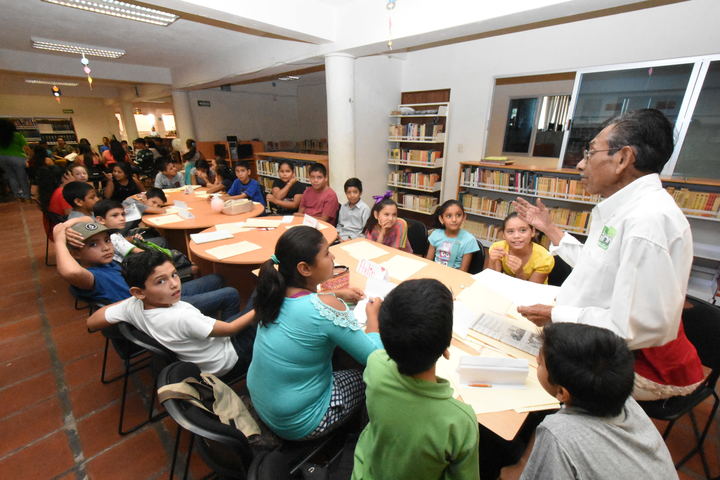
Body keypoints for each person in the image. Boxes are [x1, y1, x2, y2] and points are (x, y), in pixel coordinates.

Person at [513, 109, 703, 401]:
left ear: (623, 159)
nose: (579, 164)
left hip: (644, 364)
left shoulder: (647, 221)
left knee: (532, 372)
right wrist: (550, 230)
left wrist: (556, 314)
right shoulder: (626, 208)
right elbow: (598, 262)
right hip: (616, 342)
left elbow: (634, 327)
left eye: (590, 153)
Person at [247, 226, 380, 440]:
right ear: (305, 269)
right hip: (298, 421)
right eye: (327, 253)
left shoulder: (273, 290)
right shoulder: (324, 308)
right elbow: (375, 356)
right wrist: (373, 316)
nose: (333, 256)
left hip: (264, 400)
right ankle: (361, 440)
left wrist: (335, 293)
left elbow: (305, 303)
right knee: (367, 377)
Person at [352, 279, 480, 480]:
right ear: (447, 345)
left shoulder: (375, 365)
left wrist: (372, 319)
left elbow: (377, 346)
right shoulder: (459, 421)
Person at [519, 323, 677, 479]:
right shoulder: (625, 402)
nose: (536, 359)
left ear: (562, 392)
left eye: (540, 363)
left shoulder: (559, 433)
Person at [85, 250, 256, 378]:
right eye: (161, 281)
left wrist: (126, 301)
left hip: (207, 355)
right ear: (138, 292)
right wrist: (262, 310)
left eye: (174, 274)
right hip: (225, 362)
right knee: (265, 294)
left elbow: (91, 323)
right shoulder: (182, 317)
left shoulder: (132, 306)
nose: (174, 284)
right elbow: (231, 329)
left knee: (244, 297)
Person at [53, 217, 243, 319]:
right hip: (158, 310)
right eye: (93, 245)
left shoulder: (107, 263)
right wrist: (59, 239)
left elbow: (87, 218)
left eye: (106, 241)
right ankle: (227, 340)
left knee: (217, 279)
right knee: (231, 293)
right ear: (76, 254)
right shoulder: (92, 278)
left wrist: (64, 226)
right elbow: (70, 271)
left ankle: (202, 321)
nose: (105, 247)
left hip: (159, 295)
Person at [486, 212, 554, 283]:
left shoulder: (544, 258)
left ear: (533, 232)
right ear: (504, 235)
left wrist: (520, 272)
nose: (516, 236)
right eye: (510, 231)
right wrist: (492, 261)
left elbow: (532, 290)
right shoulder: (498, 248)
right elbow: (493, 280)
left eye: (523, 230)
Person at [426, 200, 479, 272]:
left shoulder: (469, 240)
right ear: (441, 219)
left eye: (458, 215)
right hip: (435, 273)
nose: (454, 220)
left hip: (455, 277)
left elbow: (463, 271)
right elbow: (428, 262)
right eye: (449, 216)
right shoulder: (435, 234)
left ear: (464, 217)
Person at [0, 119, 30, 201]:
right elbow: (26, 148)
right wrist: (29, 156)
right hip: (17, 157)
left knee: (11, 176)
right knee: (22, 177)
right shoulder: (17, 135)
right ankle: (26, 195)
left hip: (2, 158)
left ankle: (17, 195)